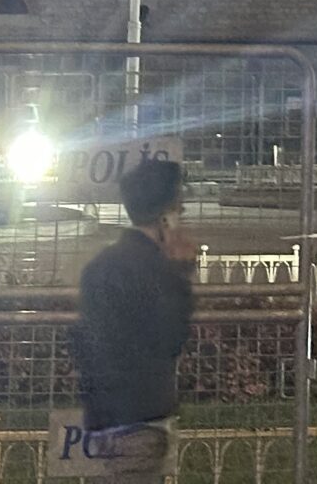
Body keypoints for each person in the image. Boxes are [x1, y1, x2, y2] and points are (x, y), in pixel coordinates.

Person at [76, 156, 197, 481]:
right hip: (141, 417)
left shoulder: (102, 265)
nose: (182, 216)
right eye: (179, 208)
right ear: (165, 217)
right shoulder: (156, 271)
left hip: (106, 416)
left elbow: (85, 341)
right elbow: (171, 336)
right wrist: (181, 272)